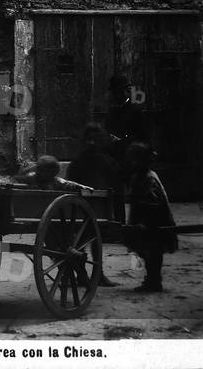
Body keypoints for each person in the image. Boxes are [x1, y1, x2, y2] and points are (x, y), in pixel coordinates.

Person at [68, 123, 123, 286]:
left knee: (80, 241)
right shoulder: (105, 160)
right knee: (93, 240)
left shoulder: (79, 161)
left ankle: (83, 274)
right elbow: (117, 184)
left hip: (79, 208)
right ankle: (95, 274)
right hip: (96, 208)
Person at [125, 141, 177, 293]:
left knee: (154, 251)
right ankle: (152, 279)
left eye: (135, 159)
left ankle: (154, 280)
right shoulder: (137, 176)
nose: (132, 163)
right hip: (142, 218)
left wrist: (144, 220)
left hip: (154, 220)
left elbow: (153, 203)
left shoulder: (149, 177)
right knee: (146, 251)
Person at [14, 154, 92, 193]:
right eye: (39, 170)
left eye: (43, 171)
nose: (40, 173)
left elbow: (69, 184)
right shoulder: (31, 178)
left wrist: (82, 187)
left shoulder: (56, 182)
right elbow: (17, 179)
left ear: (52, 173)